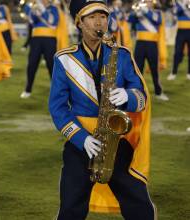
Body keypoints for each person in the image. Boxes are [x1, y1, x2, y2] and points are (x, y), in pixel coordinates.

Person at [49, 0, 156, 219]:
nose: (100, 22)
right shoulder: (64, 59)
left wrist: (128, 96)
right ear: (79, 23)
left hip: (115, 139)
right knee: (70, 205)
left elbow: (141, 96)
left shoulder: (122, 54)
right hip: (82, 144)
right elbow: (58, 107)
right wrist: (81, 139)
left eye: (104, 16)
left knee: (138, 204)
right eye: (93, 17)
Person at [128, 0, 169, 101]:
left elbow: (157, 21)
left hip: (152, 44)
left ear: (152, 3)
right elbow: (130, 20)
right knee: (138, 69)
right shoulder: (140, 13)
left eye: (149, 2)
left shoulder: (157, 13)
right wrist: (135, 13)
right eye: (146, 2)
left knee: (154, 69)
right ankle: (137, 92)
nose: (147, 3)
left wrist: (145, 11)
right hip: (140, 43)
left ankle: (158, 92)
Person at [20, 0, 61, 99]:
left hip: (50, 39)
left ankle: (56, 90)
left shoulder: (54, 8)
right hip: (36, 40)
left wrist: (42, 10)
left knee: (51, 65)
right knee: (32, 64)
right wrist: (33, 11)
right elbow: (32, 21)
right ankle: (28, 89)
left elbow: (52, 21)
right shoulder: (34, 7)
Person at [167, 0, 190, 80]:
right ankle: (174, 72)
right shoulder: (177, 3)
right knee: (177, 52)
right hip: (181, 30)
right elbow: (175, 12)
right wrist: (185, 5)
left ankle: (189, 73)